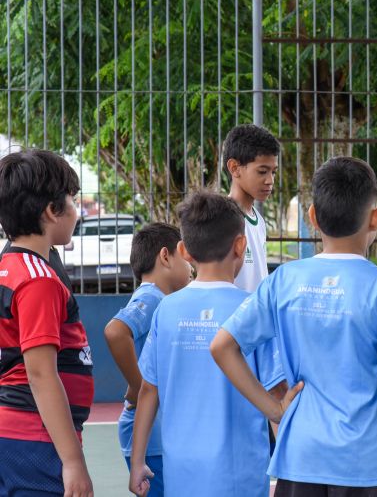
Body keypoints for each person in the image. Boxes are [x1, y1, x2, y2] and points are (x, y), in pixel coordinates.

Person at [211, 156, 377, 497]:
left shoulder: (284, 281)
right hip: (362, 463)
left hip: (300, 456)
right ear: (375, 218)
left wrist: (273, 408)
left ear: (312, 217)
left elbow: (222, 346)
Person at [128, 191, 299, 496]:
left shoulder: (166, 309)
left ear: (185, 251)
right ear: (240, 245)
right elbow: (276, 391)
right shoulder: (252, 310)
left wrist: (138, 460)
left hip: (181, 472)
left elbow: (147, 389)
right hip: (239, 474)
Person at [0, 149, 94, 496]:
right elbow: (40, 374)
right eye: (72, 199)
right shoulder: (38, 279)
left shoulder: (8, 267)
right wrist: (72, 462)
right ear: (52, 211)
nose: (76, 210)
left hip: (15, 434)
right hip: (35, 439)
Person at [104, 223, 192, 496]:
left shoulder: (162, 299)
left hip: (155, 436)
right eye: (186, 256)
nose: (191, 266)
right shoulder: (152, 297)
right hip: (151, 440)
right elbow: (116, 331)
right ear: (166, 257)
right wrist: (140, 387)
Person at [222, 123, 280, 292]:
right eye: (262, 171)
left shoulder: (258, 221)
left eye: (273, 172)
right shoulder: (222, 221)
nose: (270, 180)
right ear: (234, 168)